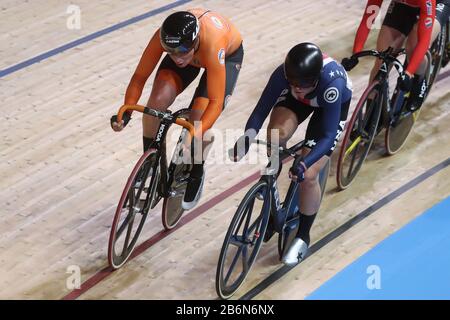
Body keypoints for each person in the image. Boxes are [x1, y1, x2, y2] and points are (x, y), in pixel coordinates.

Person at [232, 43, 353, 266]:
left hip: (329, 108)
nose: (297, 88)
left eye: (303, 84)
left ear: (315, 78)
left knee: (308, 176)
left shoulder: (331, 84)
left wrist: (306, 162)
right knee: (276, 135)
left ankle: (303, 235)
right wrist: (247, 137)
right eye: (293, 83)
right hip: (300, 103)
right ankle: (272, 184)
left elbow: (327, 136)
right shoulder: (284, 75)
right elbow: (261, 110)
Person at [110, 9, 244, 210]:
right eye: (170, 52)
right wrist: (126, 112)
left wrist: (195, 133)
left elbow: (215, 103)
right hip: (197, 52)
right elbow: (139, 77)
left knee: (199, 119)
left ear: (195, 41)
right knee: (155, 103)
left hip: (225, 56)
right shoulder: (166, 40)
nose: (176, 58)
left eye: (182, 51)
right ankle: (150, 160)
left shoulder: (212, 44)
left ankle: (196, 172)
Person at [343, 0, 450, 111]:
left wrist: (409, 73)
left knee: (413, 46)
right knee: (382, 58)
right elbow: (368, 19)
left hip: (436, 4)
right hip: (404, 5)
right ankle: (370, 115)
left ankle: (419, 81)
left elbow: (423, 41)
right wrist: (356, 53)